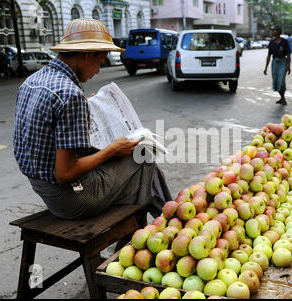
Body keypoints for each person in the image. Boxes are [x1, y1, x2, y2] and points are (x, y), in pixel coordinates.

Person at [13, 18, 172, 220]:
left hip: (43, 189)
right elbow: (65, 174)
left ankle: (159, 222)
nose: (98, 70)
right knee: (144, 156)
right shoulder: (70, 95)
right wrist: (112, 149)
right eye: (100, 61)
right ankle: (170, 221)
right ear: (88, 54)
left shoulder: (32, 81)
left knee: (140, 177)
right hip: (71, 198)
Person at [264, 26, 291, 105]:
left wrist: (288, 66)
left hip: (283, 61)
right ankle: (282, 97)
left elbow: (288, 55)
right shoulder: (271, 42)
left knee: (281, 81)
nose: (272, 32)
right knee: (276, 81)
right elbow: (269, 55)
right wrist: (266, 68)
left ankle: (283, 98)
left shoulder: (285, 42)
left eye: (273, 30)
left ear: (278, 31)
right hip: (275, 62)